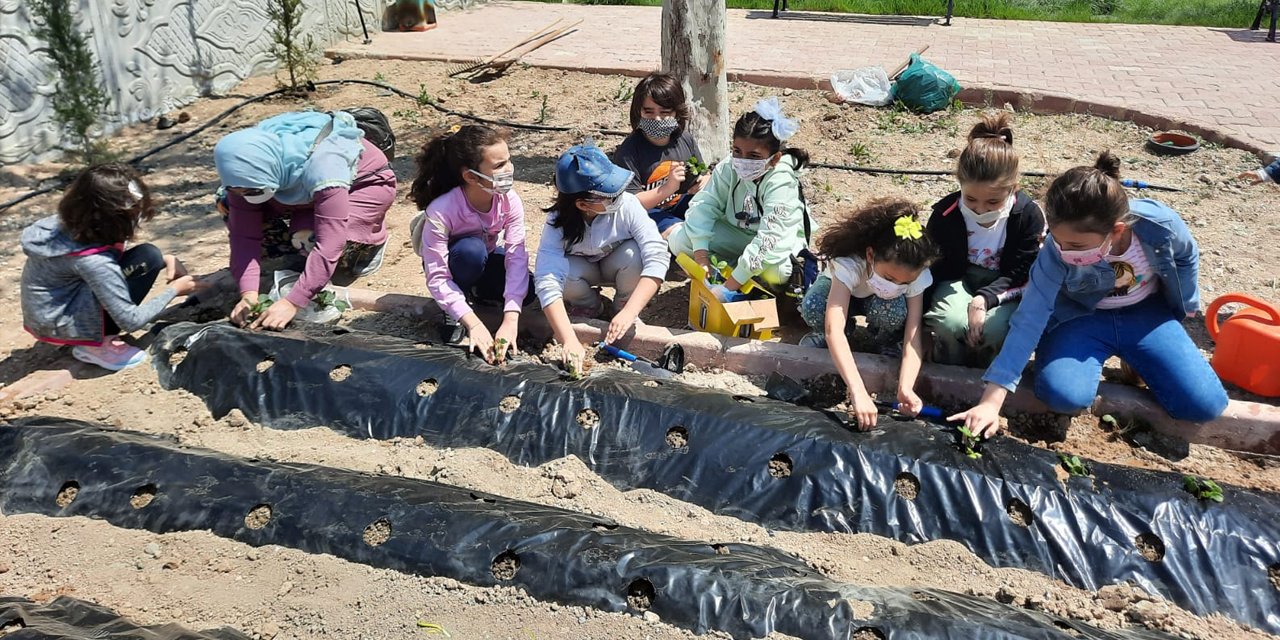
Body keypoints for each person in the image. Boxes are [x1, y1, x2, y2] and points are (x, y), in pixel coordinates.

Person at [951, 152, 1229, 437]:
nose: (1063, 251)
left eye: (1075, 245)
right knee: (1063, 396)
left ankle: (1137, 358)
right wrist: (991, 402)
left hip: (1146, 314)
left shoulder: (1159, 226)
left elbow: (1186, 256)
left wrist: (1186, 304)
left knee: (1204, 405)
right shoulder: (1055, 252)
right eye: (1057, 240)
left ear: (1116, 231)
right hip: (1079, 316)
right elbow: (1030, 317)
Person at [214, 110, 395, 331]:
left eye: (252, 190)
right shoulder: (246, 168)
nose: (247, 195)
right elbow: (244, 236)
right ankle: (293, 261)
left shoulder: (325, 165)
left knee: (311, 240)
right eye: (240, 190)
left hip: (360, 186)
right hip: (302, 189)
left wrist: (293, 302)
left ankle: (365, 248)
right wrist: (248, 294)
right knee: (226, 202)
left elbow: (329, 245)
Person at [20, 164, 202, 371]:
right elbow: (131, 321)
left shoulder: (72, 223)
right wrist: (175, 289)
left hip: (49, 311)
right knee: (138, 267)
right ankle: (95, 346)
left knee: (149, 256)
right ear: (113, 217)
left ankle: (89, 333)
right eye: (134, 214)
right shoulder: (94, 262)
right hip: (60, 323)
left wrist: (164, 260)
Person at [798, 198, 940, 430]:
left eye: (904, 283)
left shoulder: (916, 274)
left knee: (893, 312)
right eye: (889, 278)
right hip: (844, 294)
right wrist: (858, 391)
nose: (896, 285)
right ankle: (828, 337)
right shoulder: (849, 264)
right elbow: (834, 329)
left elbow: (912, 336)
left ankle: (884, 338)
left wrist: (905, 387)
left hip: (879, 303)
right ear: (871, 255)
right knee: (815, 307)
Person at [924, 113, 1045, 367]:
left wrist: (983, 299)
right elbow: (935, 266)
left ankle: (988, 372)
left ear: (1013, 188)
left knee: (995, 328)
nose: (980, 209)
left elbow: (1023, 272)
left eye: (992, 202)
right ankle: (947, 366)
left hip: (1006, 283)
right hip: (958, 278)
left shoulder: (1028, 216)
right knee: (951, 323)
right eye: (970, 199)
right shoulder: (945, 215)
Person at [535, 145, 670, 368]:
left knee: (634, 254)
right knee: (564, 273)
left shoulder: (627, 205)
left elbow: (657, 254)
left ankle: (622, 305)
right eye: (610, 195)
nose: (618, 197)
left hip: (617, 264)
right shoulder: (557, 223)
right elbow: (546, 278)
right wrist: (569, 340)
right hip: (582, 271)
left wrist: (630, 311)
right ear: (582, 204)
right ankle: (588, 306)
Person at [667, 97, 815, 298]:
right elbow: (704, 205)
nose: (743, 161)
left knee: (779, 272)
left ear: (775, 158)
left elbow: (770, 238)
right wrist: (701, 258)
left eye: (753, 156)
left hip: (777, 241)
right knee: (680, 241)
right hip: (738, 233)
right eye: (737, 151)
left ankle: (741, 276)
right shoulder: (729, 167)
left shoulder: (781, 180)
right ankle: (736, 272)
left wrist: (728, 288)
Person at [408, 124, 531, 363]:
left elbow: (516, 256)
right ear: (471, 176)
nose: (509, 169)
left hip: (486, 256)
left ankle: (477, 292)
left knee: (528, 291)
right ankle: (456, 304)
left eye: (509, 160)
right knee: (470, 251)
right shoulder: (442, 210)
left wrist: (510, 319)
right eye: (499, 165)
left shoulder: (509, 200)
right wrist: (474, 324)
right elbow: (437, 275)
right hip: (457, 262)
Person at [611, 72, 708, 240]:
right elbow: (631, 204)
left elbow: (704, 174)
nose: (657, 118)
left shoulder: (684, 139)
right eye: (649, 112)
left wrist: (703, 182)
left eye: (665, 112)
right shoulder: (629, 152)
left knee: (711, 217)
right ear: (638, 111)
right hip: (648, 213)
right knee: (680, 234)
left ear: (677, 112)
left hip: (682, 203)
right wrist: (668, 188)